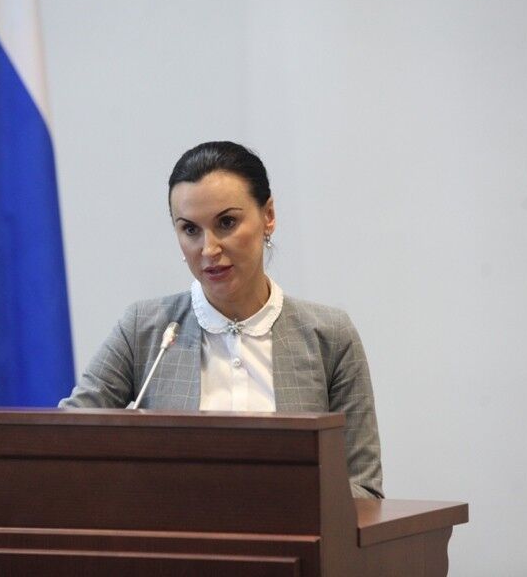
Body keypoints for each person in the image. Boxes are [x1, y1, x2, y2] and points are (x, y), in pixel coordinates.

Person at [59, 141, 383, 498]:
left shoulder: (330, 335)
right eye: (190, 230)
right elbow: (62, 440)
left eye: (226, 223)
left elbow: (363, 487)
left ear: (268, 216)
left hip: (292, 534)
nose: (208, 249)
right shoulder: (144, 328)